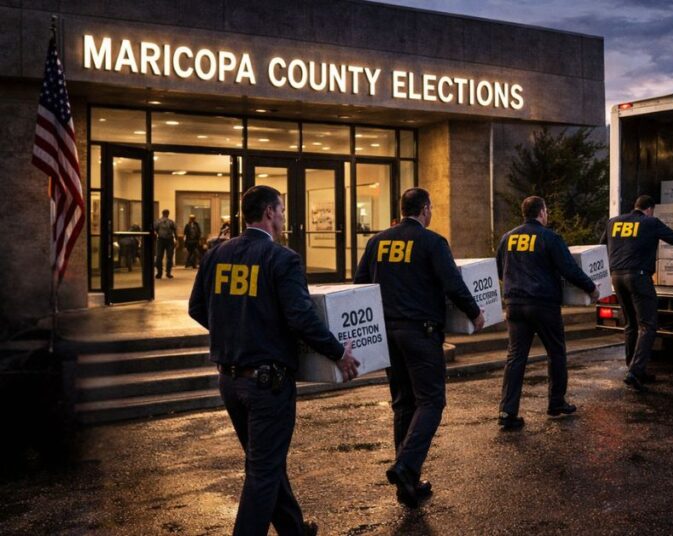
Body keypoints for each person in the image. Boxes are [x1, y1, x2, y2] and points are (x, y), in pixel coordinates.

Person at [188, 185, 360, 536]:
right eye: (281, 211)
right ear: (269, 212)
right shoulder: (282, 258)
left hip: (230, 380)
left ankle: (293, 530)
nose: (283, 218)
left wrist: (235, 332)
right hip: (267, 384)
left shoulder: (216, 255)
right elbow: (301, 318)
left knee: (266, 461)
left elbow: (196, 307)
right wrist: (338, 352)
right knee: (263, 472)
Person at [354, 187, 484, 508]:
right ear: (425, 209)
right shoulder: (432, 242)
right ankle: (406, 465)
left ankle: (407, 486)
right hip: (420, 333)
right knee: (431, 401)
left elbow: (360, 284)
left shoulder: (376, 242)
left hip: (388, 333)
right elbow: (453, 283)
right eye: (431, 208)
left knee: (403, 404)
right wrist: (474, 312)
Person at [495, 196, 599, 430]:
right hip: (543, 304)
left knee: (515, 357)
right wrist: (591, 288)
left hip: (514, 304)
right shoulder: (549, 237)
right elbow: (569, 268)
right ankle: (556, 402)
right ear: (541, 212)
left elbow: (500, 270)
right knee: (556, 352)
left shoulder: (507, 238)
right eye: (547, 211)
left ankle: (507, 411)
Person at [601, 195, 673, 392]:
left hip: (617, 278)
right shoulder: (650, 222)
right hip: (638, 277)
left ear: (636, 206)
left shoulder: (613, 222)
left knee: (631, 324)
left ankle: (634, 369)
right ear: (650, 209)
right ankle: (635, 371)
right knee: (648, 324)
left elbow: (602, 245)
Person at [153, 209, 177, 279]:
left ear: (162, 213)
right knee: (169, 257)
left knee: (159, 257)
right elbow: (175, 231)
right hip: (169, 240)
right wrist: (177, 240)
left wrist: (156, 237)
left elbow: (154, 230)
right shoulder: (171, 222)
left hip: (160, 240)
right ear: (168, 214)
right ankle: (168, 273)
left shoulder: (157, 221)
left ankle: (159, 273)